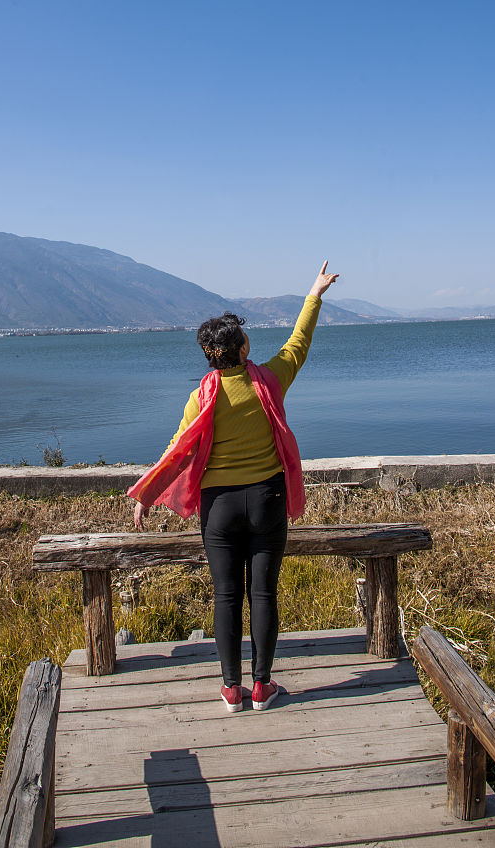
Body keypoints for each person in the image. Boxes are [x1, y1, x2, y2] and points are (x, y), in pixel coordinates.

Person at [129, 261, 339, 713]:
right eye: (245, 337)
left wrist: (146, 493)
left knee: (225, 595)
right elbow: (298, 344)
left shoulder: (201, 397)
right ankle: (262, 686)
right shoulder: (270, 380)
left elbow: (177, 450)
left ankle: (230, 689)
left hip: (219, 509)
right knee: (263, 592)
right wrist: (314, 294)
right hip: (267, 501)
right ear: (240, 348)